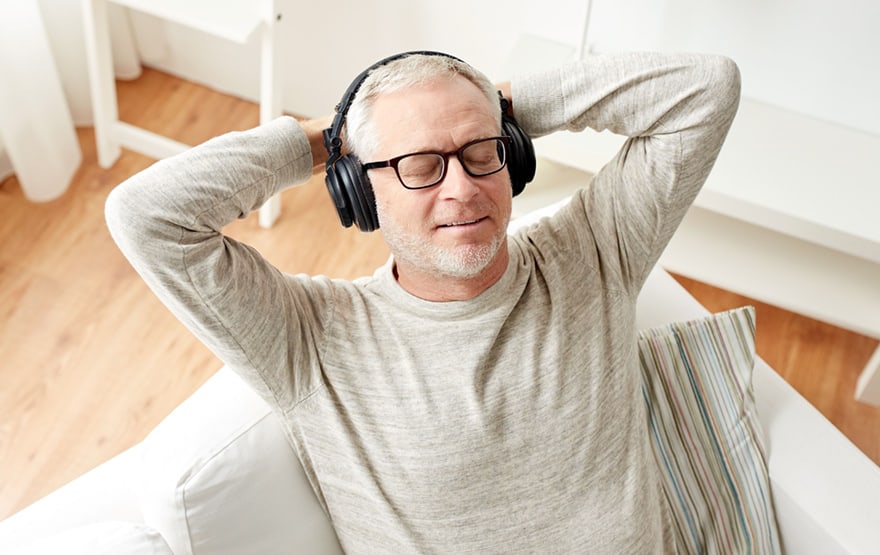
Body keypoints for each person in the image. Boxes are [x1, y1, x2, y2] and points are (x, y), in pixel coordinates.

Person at [106, 50, 741, 552]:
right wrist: (328, 141)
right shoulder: (311, 341)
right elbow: (146, 216)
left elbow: (706, 88)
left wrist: (495, 105)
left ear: (512, 157)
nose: (462, 189)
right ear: (360, 189)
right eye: (419, 164)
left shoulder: (594, 251)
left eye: (480, 152)